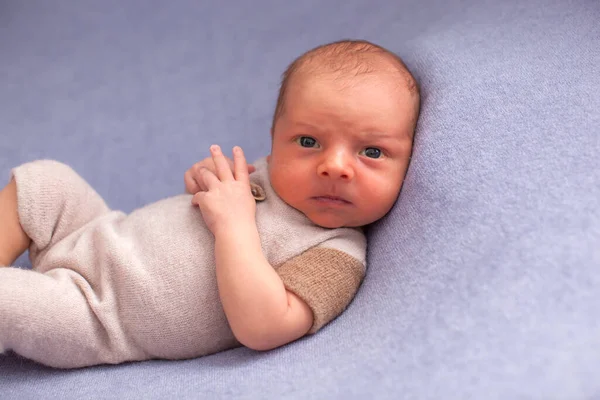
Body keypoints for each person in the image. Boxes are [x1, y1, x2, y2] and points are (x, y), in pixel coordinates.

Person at [0, 39, 420, 368]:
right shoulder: (267, 175)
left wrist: (235, 224)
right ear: (274, 140)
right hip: (98, 233)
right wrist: (202, 183)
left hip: (97, 314)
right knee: (46, 182)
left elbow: (264, 326)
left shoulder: (335, 254)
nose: (334, 166)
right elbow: (193, 214)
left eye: (371, 152)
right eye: (308, 142)